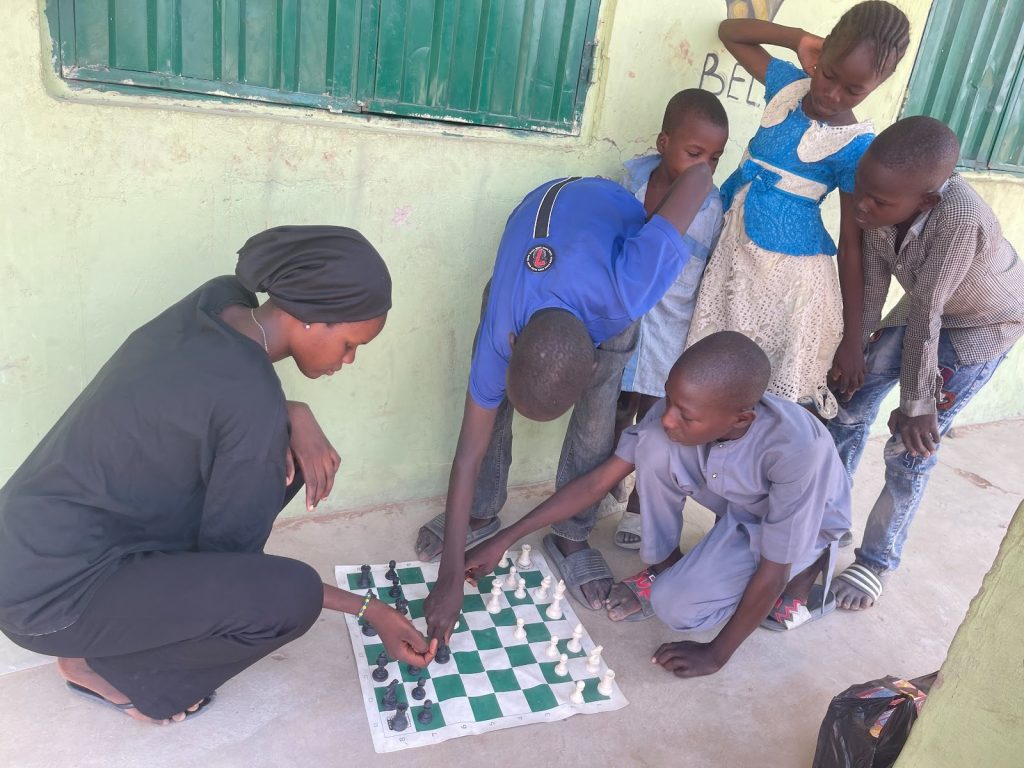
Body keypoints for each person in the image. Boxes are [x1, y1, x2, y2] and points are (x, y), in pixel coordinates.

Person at [0, 226, 434, 725]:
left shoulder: (217, 302)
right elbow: (234, 575)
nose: (349, 360)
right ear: (312, 320)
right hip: (51, 603)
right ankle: (121, 674)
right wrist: (367, 609)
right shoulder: (251, 403)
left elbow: (210, 391)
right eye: (351, 344)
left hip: (29, 542)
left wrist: (290, 409)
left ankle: (104, 638)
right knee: (289, 596)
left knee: (278, 461)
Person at [415, 165, 715, 639]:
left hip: (608, 239)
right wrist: (450, 574)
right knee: (485, 418)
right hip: (533, 235)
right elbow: (468, 451)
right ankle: (481, 509)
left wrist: (659, 208)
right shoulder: (503, 328)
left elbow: (699, 177)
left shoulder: (630, 284)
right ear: (511, 346)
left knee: (598, 422)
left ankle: (571, 536)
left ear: (589, 370)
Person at [464, 332, 851, 678]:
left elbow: (774, 566)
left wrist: (716, 654)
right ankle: (668, 564)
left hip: (803, 521)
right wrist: (505, 539)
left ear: (741, 418)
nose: (667, 417)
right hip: (738, 502)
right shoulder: (683, 411)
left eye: (686, 414)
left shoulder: (798, 452)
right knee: (654, 445)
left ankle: (813, 562)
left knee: (676, 607)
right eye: (669, 398)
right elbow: (599, 481)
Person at [827, 117, 1024, 610]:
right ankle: (826, 520)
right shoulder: (880, 199)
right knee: (846, 403)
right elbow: (872, 282)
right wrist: (854, 344)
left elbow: (931, 309)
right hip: (928, 312)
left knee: (911, 444)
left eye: (878, 202)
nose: (862, 208)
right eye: (861, 193)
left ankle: (876, 559)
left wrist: (918, 402)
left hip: (983, 324)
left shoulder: (958, 217)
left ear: (926, 200)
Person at [686, 1, 911, 419]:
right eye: (828, 73)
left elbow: (850, 246)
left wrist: (851, 338)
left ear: (877, 86)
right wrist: (797, 39)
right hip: (733, 260)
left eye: (853, 90)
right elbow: (730, 31)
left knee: (759, 390)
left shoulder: (854, 146)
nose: (831, 93)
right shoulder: (788, 87)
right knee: (711, 369)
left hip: (787, 284)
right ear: (820, 54)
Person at [614, 88, 729, 550]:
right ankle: (607, 484)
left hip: (668, 329)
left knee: (658, 421)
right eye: (694, 153)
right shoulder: (631, 179)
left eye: (716, 158)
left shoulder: (708, 205)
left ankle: (641, 507)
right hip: (622, 319)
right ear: (663, 144)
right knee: (614, 411)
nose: (705, 168)